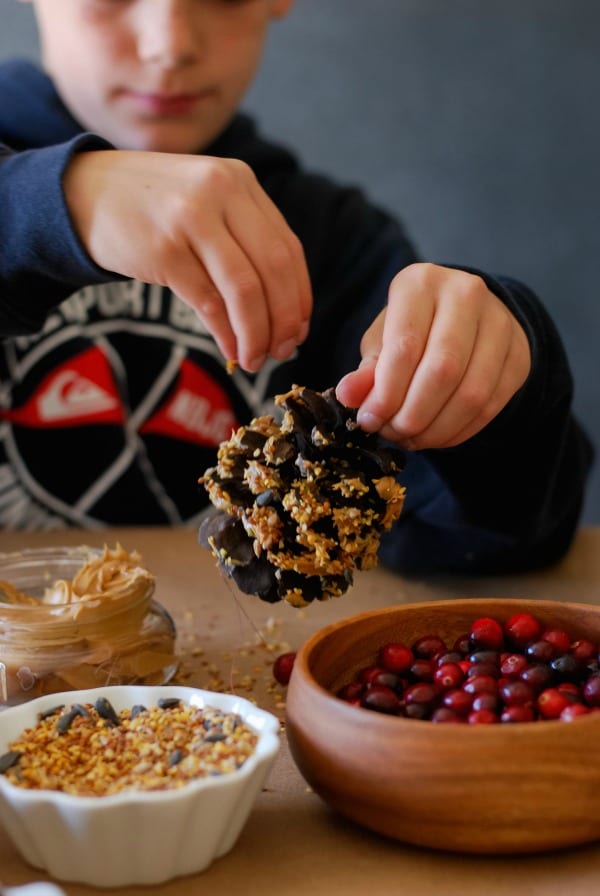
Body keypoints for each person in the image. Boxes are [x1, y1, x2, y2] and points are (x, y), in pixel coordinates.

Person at [0, 0, 593, 574]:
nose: (170, 45)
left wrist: (498, 385)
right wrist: (46, 208)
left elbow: (485, 546)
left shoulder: (336, 244)